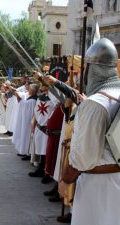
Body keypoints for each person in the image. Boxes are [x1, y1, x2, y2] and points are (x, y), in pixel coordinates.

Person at [61, 38, 120, 225]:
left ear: (92, 69)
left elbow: (83, 157)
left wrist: (65, 181)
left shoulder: (94, 104)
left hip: (98, 187)